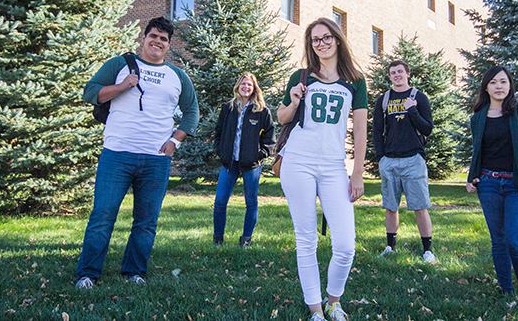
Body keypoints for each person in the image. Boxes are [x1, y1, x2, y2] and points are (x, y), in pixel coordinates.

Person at [75, 16, 199, 288]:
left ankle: (134, 272)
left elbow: (192, 112)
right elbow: (90, 92)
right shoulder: (119, 65)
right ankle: (87, 273)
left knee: (146, 221)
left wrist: (175, 141)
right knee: (102, 216)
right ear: (143, 38)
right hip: (117, 155)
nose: (157, 41)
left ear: (169, 45)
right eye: (153, 36)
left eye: (164, 39)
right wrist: (122, 86)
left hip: (156, 160)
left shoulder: (177, 76)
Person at [277, 17, 367, 321]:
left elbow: (360, 131)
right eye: (315, 39)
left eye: (326, 37)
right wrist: (293, 101)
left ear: (338, 40)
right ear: (310, 44)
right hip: (298, 161)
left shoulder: (354, 79)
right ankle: (316, 309)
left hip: (332, 165)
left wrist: (357, 173)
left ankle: (334, 301)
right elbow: (282, 117)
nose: (322, 43)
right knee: (307, 239)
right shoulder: (301, 76)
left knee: (345, 245)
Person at [465, 65, 518, 299]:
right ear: (486, 87)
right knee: (498, 241)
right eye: (493, 82)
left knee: (514, 241)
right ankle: (506, 290)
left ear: (510, 86)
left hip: (517, 185)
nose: (499, 86)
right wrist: (472, 176)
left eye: (503, 82)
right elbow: (479, 150)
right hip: (488, 184)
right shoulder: (478, 118)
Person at [372, 60, 436, 263]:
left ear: (408, 73)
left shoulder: (419, 97)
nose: (397, 75)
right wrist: (380, 158)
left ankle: (427, 250)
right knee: (391, 206)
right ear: (389, 76)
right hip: (389, 160)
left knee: (420, 206)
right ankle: (390, 247)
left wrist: (412, 110)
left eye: (400, 71)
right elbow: (376, 131)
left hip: (413, 159)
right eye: (393, 72)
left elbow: (427, 129)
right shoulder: (384, 99)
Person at [212, 72, 275, 247]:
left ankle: (246, 239)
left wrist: (260, 154)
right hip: (229, 163)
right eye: (243, 84)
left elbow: (270, 139)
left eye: (250, 85)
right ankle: (218, 239)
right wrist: (221, 151)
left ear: (254, 88)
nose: (246, 87)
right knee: (219, 202)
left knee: (251, 203)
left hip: (251, 164)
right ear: (238, 86)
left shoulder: (262, 111)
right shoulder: (228, 108)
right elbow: (218, 132)